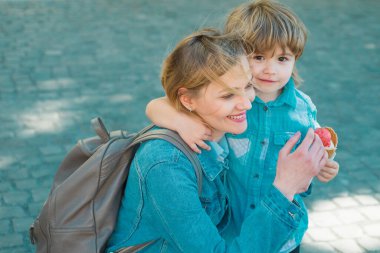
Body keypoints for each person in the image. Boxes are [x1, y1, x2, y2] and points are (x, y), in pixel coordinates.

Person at [106, 28, 327, 253]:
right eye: (228, 95)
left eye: (248, 86)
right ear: (187, 100)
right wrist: (285, 188)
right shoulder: (167, 165)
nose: (247, 104)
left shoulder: (221, 137)